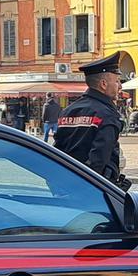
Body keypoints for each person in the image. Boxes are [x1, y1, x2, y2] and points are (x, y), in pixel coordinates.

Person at [53, 53, 129, 188]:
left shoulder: (69, 110)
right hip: (91, 187)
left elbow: (57, 149)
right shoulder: (106, 114)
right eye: (117, 81)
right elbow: (99, 159)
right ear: (104, 84)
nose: (120, 86)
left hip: (64, 183)